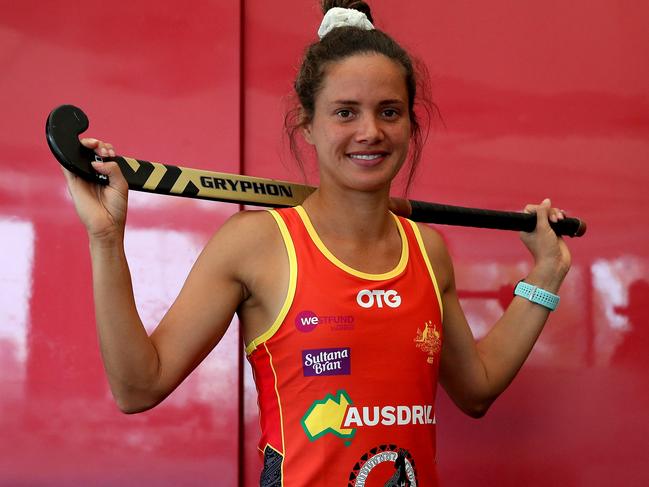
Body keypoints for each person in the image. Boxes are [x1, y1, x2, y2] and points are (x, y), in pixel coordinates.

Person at [62, 1, 571, 485]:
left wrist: (545, 274)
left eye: (389, 112)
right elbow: (138, 386)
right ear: (306, 124)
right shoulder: (256, 244)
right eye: (345, 112)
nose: (370, 131)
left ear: (411, 125)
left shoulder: (428, 251)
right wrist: (106, 239)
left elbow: (476, 389)